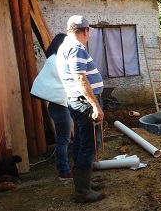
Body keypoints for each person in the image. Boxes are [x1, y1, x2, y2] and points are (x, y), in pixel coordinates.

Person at [56, 15, 106, 203]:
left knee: (80, 143)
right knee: (88, 145)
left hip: (76, 101)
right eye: (88, 32)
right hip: (84, 103)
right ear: (84, 31)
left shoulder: (65, 45)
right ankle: (83, 191)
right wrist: (95, 105)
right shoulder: (75, 48)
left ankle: (84, 184)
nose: (88, 35)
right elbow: (80, 79)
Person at [31, 33, 73, 181]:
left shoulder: (53, 59)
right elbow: (66, 82)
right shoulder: (56, 61)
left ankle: (65, 168)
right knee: (63, 140)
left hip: (58, 106)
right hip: (60, 107)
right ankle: (64, 171)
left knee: (64, 139)